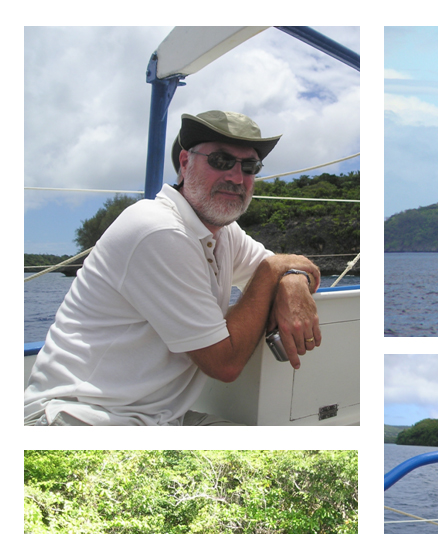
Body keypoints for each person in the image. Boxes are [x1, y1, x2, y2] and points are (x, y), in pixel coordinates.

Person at [25, 110, 322, 426]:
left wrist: (289, 275)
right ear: (184, 163)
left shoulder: (223, 232)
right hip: (81, 416)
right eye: (221, 161)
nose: (237, 178)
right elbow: (225, 364)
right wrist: (270, 271)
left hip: (158, 418)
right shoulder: (158, 229)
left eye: (249, 167)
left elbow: (292, 268)